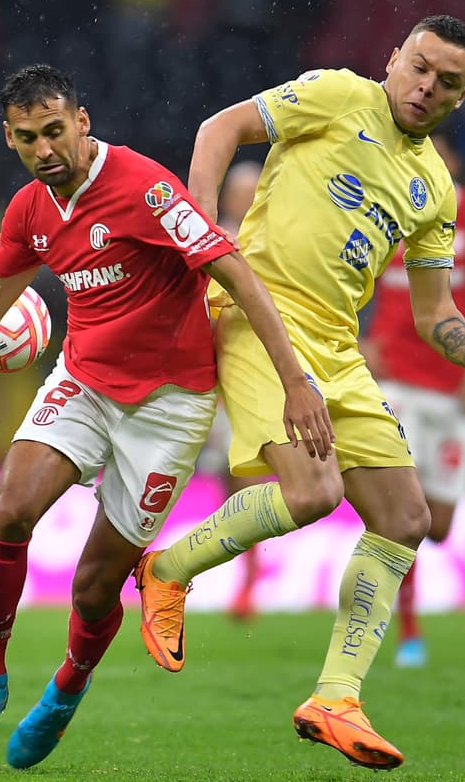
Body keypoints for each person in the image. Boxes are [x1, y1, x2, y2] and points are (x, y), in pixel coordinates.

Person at [0, 64, 332, 769]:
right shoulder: (29, 211)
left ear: (82, 122)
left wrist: (296, 383)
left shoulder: (147, 188)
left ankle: (66, 688)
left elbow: (235, 272)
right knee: (10, 511)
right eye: (28, 137)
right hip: (85, 381)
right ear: (10, 138)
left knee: (94, 587)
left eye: (55, 130)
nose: (44, 149)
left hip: (172, 405)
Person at [133, 15, 465, 770]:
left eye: (448, 83)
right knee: (313, 491)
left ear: (463, 97)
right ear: (393, 58)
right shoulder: (335, 94)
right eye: (420, 67)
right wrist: (201, 240)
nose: (427, 87)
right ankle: (168, 566)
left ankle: (336, 696)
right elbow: (218, 129)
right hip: (256, 313)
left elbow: (434, 313)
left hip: (337, 348)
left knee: (407, 515)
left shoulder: (435, 187)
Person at [361, 133, 465, 668]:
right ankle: (407, 629)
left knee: (440, 523)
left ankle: (394, 606)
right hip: (396, 384)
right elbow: (346, 280)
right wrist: (362, 340)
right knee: (406, 512)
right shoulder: (383, 209)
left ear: (452, 161)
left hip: (452, 388)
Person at [203, 158, 274, 620]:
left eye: (252, 192)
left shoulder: (271, 245)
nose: (243, 200)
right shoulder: (207, 241)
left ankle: (249, 576)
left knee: (244, 474)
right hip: (204, 376)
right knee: (224, 481)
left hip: (248, 376)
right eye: (237, 192)